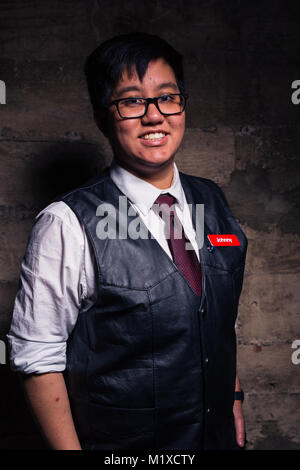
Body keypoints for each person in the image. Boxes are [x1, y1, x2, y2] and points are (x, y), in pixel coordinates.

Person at [7, 32, 247, 451]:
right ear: (104, 116)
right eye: (132, 101)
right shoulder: (66, 222)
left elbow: (215, 320)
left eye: (168, 97)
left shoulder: (213, 200)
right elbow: (37, 359)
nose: (155, 116)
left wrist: (234, 400)